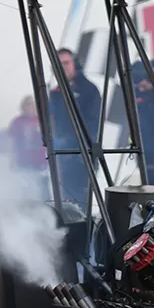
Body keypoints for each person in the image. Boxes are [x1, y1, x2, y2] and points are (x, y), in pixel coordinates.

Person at [48, 47, 103, 207]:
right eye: (59, 64)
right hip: (62, 157)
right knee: (65, 201)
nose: (63, 67)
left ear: (75, 64)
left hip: (82, 156)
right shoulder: (55, 92)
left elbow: (93, 125)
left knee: (80, 202)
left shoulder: (89, 90)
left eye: (66, 63)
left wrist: (71, 143)